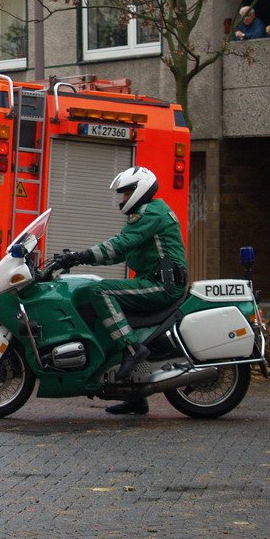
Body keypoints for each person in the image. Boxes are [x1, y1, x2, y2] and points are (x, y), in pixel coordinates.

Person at [57, 166, 188, 415]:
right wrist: (76, 258)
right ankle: (135, 396)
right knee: (104, 311)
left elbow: (119, 245)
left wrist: (78, 256)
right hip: (155, 282)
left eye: (126, 193)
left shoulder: (152, 213)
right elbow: (118, 253)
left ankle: (132, 349)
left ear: (140, 190)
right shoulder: (147, 214)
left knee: (100, 292)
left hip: (162, 286)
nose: (123, 199)